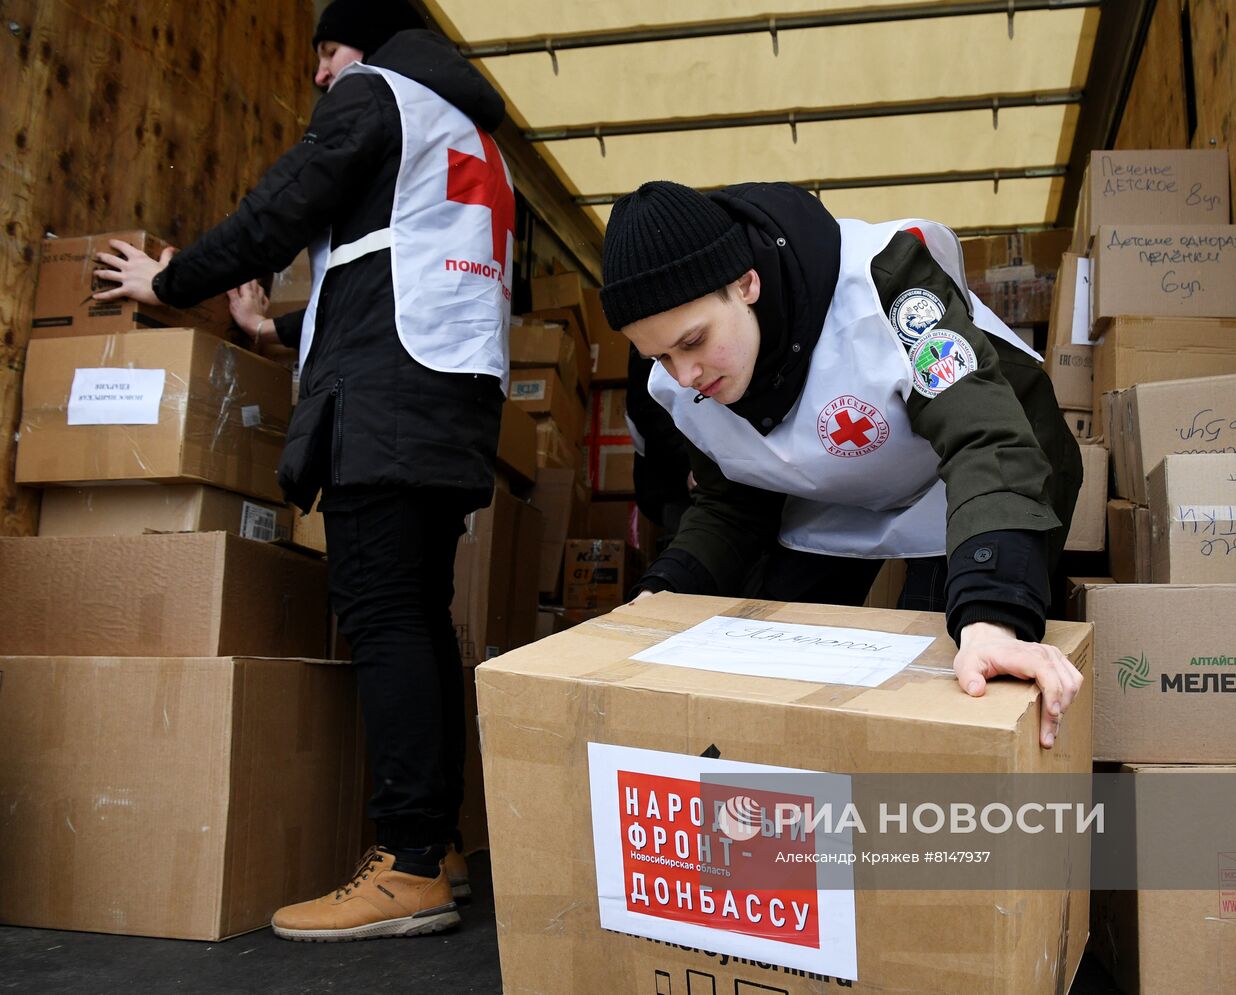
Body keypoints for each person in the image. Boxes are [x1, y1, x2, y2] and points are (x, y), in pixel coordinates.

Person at [93, 0, 514, 941]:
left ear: (366, 42)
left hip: (390, 400)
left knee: (382, 611)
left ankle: (407, 863)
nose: (322, 74)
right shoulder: (469, 129)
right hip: (449, 401)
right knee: (418, 612)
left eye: (327, 51)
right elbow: (394, 268)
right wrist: (267, 329)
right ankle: (436, 846)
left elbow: (280, 206)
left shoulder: (377, 93)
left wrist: (172, 281)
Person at [599, 181, 1084, 748]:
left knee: (946, 674)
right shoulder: (683, 385)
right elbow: (730, 502)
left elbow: (986, 440)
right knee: (777, 669)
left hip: (972, 473)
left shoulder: (883, 286)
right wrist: (664, 593)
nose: (685, 376)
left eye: (694, 342)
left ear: (746, 283)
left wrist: (994, 615)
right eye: (659, 356)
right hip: (838, 486)